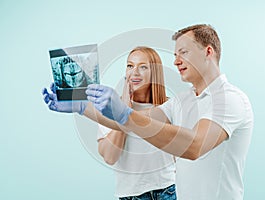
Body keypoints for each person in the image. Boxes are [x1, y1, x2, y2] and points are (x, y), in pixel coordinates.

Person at [43, 24, 253, 200]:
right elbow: (134, 123)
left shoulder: (230, 99)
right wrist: (81, 107)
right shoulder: (183, 100)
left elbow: (195, 146)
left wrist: (124, 113)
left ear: (208, 52)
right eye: (175, 54)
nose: (176, 61)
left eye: (184, 52)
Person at [43, 46, 177, 200]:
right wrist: (123, 109)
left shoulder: (170, 107)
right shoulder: (108, 107)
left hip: (169, 191)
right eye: (130, 66)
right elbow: (110, 157)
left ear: (155, 73)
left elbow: (179, 151)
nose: (135, 72)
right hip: (131, 196)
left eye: (143, 67)